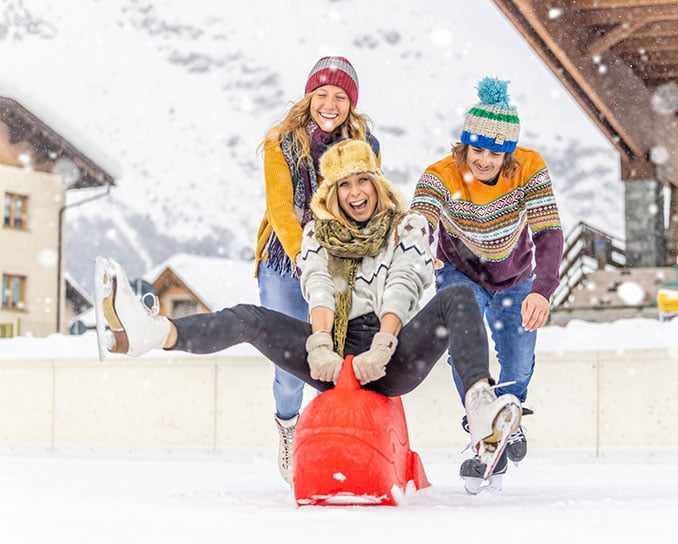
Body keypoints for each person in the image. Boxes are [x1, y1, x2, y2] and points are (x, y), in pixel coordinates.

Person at [95, 139, 521, 492]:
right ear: (330, 194)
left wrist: (385, 343)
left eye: (362, 181)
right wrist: (319, 344)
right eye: (343, 186)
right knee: (252, 318)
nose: (355, 193)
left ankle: (481, 409)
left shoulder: (408, 227)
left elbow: (404, 284)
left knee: (459, 295)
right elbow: (318, 285)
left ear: (376, 183)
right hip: (331, 356)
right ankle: (152, 334)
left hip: (393, 355)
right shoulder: (319, 233)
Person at [410, 77, 564, 481]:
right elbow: (419, 221)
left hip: (516, 275)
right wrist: (420, 255)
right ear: (464, 146)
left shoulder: (530, 167)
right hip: (459, 273)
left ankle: (509, 414)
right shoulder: (439, 174)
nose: (484, 160)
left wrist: (542, 290)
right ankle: (481, 426)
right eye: (476, 150)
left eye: (495, 154)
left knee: (519, 361)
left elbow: (548, 231)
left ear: (509, 153)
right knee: (465, 344)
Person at [254, 55, 380, 486]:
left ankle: (342, 439)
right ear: (309, 97)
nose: (330, 104)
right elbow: (281, 209)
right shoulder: (281, 142)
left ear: (351, 103)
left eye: (340, 96)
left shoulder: (365, 145)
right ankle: (289, 428)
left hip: (343, 260)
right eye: (322, 94)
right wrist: (304, 256)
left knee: (344, 357)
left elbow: (370, 201)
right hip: (285, 262)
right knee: (290, 362)